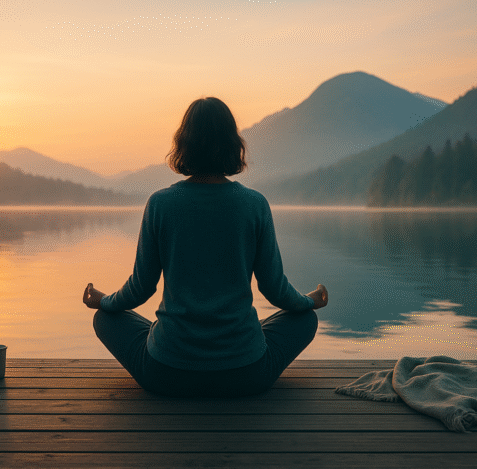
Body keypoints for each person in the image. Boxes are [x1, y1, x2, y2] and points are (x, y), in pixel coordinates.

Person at [83, 97, 328, 397]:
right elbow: (275, 290)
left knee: (105, 319)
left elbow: (140, 288)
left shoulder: (160, 204)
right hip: (247, 374)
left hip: (166, 374)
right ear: (232, 145)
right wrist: (309, 301)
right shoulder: (255, 205)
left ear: (183, 144)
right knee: (305, 320)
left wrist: (104, 302)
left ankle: (172, 345)